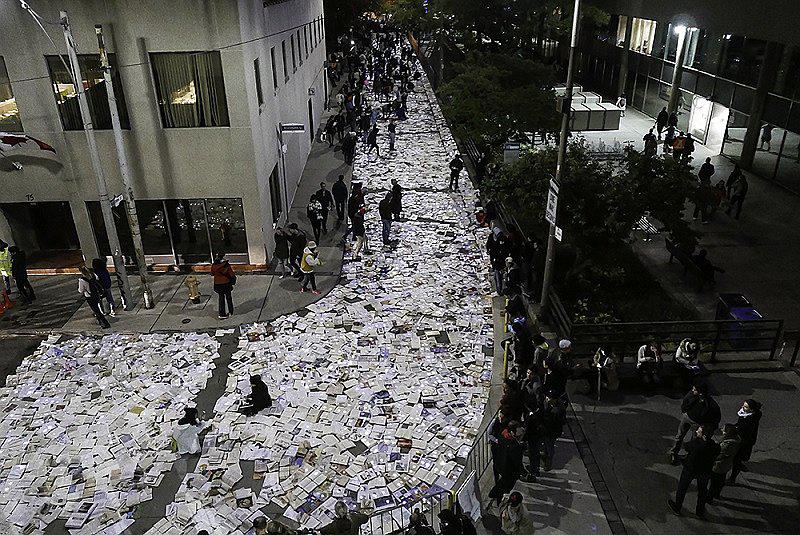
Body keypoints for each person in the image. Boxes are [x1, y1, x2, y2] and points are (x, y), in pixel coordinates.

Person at [667, 425, 720, 519]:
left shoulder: (696, 444)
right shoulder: (714, 446)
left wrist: (696, 440)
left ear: (703, 436)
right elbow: (717, 451)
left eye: (699, 432)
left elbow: (686, 446)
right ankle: (700, 512)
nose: (696, 432)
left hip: (690, 469)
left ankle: (677, 507)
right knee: (702, 492)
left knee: (682, 488)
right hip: (704, 471)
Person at [668, 382, 721, 464]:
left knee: (694, 440)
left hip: (697, 423)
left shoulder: (709, 403)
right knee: (679, 436)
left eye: (695, 389)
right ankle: (673, 453)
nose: (692, 390)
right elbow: (685, 401)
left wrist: (707, 425)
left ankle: (690, 456)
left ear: (700, 392)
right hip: (687, 417)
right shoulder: (692, 394)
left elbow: (716, 416)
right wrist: (685, 411)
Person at [729, 398, 762, 485]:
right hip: (742, 440)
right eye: (743, 405)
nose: (743, 407)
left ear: (751, 410)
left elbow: (744, 431)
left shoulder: (750, 420)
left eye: (745, 407)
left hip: (743, 443)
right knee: (737, 459)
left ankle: (732, 478)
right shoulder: (747, 415)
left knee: (737, 460)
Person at [708, 424, 741, 502]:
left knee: (714, 483)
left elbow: (720, 455)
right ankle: (716, 494)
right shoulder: (735, 441)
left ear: (727, 433)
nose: (722, 430)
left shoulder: (728, 445)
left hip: (719, 466)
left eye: (723, 429)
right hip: (726, 465)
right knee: (721, 481)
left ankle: (709, 498)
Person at [211, 253, 236, 319]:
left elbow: (212, 273)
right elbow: (231, 274)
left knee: (221, 298)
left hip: (218, 284)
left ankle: (222, 314)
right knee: (229, 298)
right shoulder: (226, 265)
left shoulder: (214, 265)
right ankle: (231, 311)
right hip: (226, 283)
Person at [486, 227, 508, 295]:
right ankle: (499, 289)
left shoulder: (502, 239)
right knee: (497, 275)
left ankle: (499, 289)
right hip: (494, 258)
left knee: (499, 275)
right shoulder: (491, 237)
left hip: (500, 260)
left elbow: (503, 249)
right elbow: (488, 244)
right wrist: (488, 250)